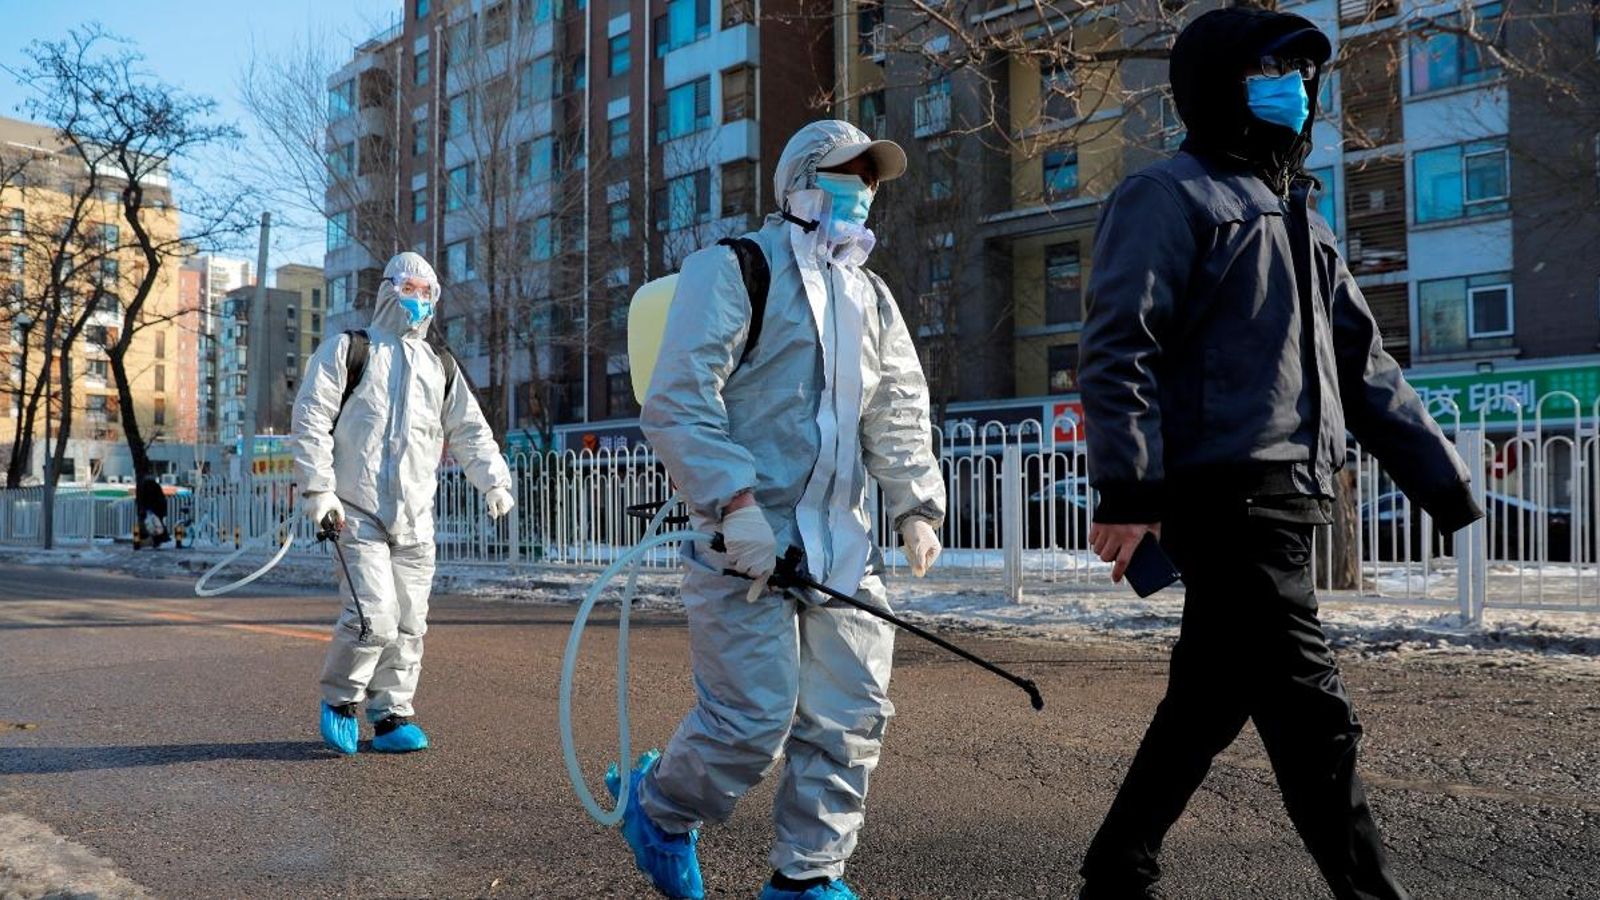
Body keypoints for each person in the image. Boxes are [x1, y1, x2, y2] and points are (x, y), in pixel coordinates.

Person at [1076, 8, 1483, 900]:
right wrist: (1129, 486)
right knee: (1311, 712)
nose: (1293, 90)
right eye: (1270, 71)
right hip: (1224, 493)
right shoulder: (1169, 197)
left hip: (1291, 493)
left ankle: (1118, 867)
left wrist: (1442, 482)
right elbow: (1118, 348)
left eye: (1301, 75)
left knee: (1210, 699)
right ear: (1222, 85)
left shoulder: (1300, 216)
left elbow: (1364, 366)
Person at [614, 119, 946, 900]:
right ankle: (660, 808)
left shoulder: (870, 293)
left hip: (842, 550)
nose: (861, 189)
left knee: (850, 718)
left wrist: (914, 505)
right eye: (845, 172)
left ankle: (808, 876)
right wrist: (734, 504)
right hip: (747, 545)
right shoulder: (734, 270)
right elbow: (678, 400)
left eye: (871, 177)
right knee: (749, 723)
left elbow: (897, 404)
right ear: (800, 178)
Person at [290, 251, 515, 755]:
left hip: (415, 517)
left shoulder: (441, 367)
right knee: (373, 616)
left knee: (411, 622)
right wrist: (319, 490)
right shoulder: (349, 350)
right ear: (388, 290)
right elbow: (311, 420)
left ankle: (391, 714)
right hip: (357, 510)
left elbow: (470, 431)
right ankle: (341, 700)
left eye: (426, 293)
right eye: (408, 289)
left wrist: (494, 481)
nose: (417, 300)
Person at [135, 475, 169, 548]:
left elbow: (141, 499)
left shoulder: (143, 487)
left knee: (147, 526)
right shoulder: (156, 486)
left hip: (148, 509)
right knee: (157, 526)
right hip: (157, 510)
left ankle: (141, 542)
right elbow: (161, 499)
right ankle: (158, 540)